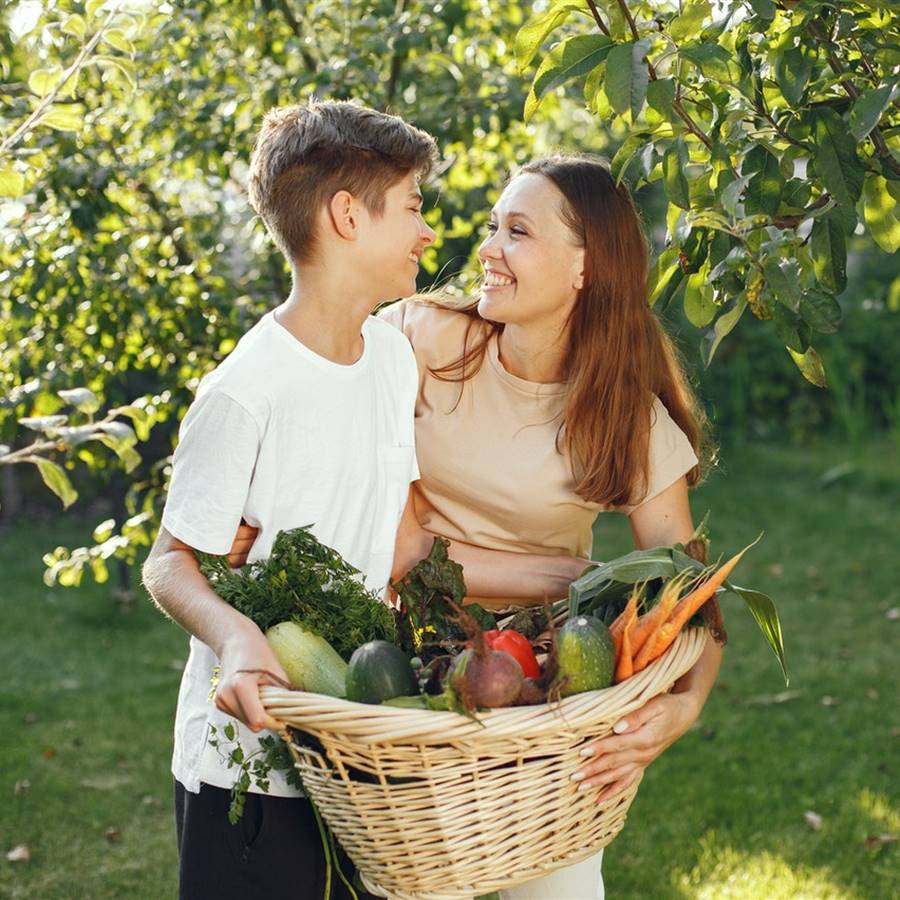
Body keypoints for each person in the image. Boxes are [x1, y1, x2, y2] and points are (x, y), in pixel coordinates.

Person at [141, 103, 588, 900]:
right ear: (347, 215)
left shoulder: (389, 356)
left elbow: (405, 546)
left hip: (358, 756)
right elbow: (169, 564)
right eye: (413, 206)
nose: (427, 231)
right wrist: (239, 637)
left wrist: (577, 578)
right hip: (248, 768)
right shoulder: (247, 392)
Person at [376, 155, 722, 899]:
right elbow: (398, 550)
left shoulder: (625, 415)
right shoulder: (418, 340)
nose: (489, 249)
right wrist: (573, 579)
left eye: (519, 231)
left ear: (584, 269)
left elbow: (690, 594)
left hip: (551, 683)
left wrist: (682, 709)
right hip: (408, 677)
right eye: (494, 226)